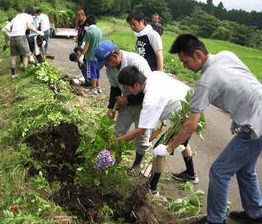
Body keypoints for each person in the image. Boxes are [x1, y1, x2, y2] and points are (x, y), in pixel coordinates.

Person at [153, 34, 262, 224]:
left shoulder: (205, 83)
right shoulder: (226, 55)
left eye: (185, 62)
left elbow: (190, 125)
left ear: (198, 54)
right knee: (246, 169)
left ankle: (215, 221)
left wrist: (168, 148)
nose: (185, 67)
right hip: (261, 113)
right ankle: (255, 214)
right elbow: (244, 84)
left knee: (219, 171)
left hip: (257, 124)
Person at [115, 65, 198, 201]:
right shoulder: (154, 75)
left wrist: (116, 141)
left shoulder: (150, 99)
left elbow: (141, 131)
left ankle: (152, 189)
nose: (126, 91)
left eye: (127, 88)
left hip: (185, 118)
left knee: (160, 150)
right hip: (193, 106)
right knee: (182, 142)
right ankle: (190, 174)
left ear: (136, 85)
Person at [94, 40, 151, 178]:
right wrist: (110, 107)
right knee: (118, 132)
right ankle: (114, 161)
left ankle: (137, 164)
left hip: (144, 104)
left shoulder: (137, 62)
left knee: (142, 136)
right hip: (125, 103)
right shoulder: (111, 68)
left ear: (114, 57)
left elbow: (148, 91)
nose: (106, 66)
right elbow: (114, 87)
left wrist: (128, 99)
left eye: (106, 62)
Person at [10, 7, 39, 78]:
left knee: (13, 56)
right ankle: (24, 73)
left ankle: (13, 74)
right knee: (25, 55)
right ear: (31, 13)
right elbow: (29, 26)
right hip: (21, 36)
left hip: (12, 36)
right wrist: (37, 31)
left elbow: (11, 26)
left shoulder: (17, 16)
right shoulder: (28, 17)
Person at [78, 15, 103, 94]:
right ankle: (98, 87)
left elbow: (86, 46)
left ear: (88, 24)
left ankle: (93, 88)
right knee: (97, 72)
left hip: (91, 57)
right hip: (98, 57)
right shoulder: (100, 31)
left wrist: (82, 55)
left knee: (92, 73)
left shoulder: (89, 32)